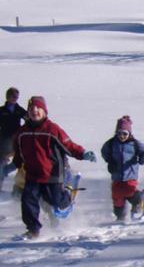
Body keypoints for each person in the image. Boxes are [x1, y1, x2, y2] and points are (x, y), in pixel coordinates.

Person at [13, 96, 97, 239]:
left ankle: (67, 196)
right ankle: (33, 230)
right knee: (28, 202)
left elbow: (68, 145)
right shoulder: (22, 132)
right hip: (32, 174)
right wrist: (17, 162)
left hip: (52, 174)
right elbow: (18, 149)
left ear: (44, 111)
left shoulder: (52, 129)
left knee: (55, 201)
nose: (34, 112)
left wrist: (83, 153)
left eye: (38, 109)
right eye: (31, 109)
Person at [101, 116, 144, 222]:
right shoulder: (111, 143)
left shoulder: (135, 144)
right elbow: (104, 151)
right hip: (117, 177)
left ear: (129, 134)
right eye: (119, 133)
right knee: (117, 196)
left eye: (125, 134)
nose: (122, 136)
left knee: (131, 191)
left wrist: (142, 159)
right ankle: (120, 215)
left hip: (130, 177)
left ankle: (138, 202)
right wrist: (109, 160)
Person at [0, 87, 26, 190]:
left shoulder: (19, 110)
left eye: (17, 96)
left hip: (16, 140)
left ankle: (6, 171)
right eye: (14, 96)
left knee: (20, 160)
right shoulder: (1, 111)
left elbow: (29, 120)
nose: (16, 98)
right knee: (1, 162)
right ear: (8, 97)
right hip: (4, 140)